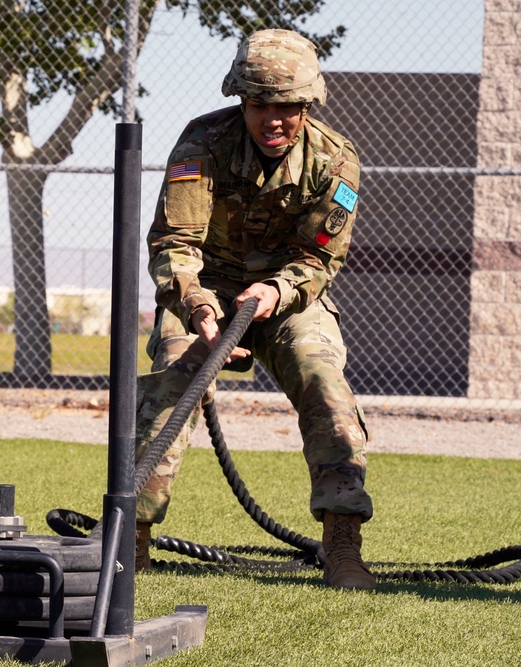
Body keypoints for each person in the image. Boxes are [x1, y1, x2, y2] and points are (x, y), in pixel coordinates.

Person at [133, 28, 375, 589]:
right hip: (207, 291)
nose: (275, 120)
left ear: (308, 104)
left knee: (324, 381)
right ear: (241, 99)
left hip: (288, 296)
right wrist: (198, 310)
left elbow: (318, 262)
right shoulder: (204, 142)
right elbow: (175, 246)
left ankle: (342, 543)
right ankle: (132, 539)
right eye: (261, 104)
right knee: (176, 374)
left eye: (289, 106)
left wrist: (275, 291)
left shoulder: (335, 161)